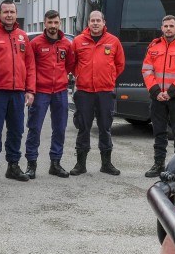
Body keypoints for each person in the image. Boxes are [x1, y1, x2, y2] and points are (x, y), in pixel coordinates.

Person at [0, 0, 36, 183]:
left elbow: (29, 65)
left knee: (16, 130)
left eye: (12, 11)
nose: (9, 15)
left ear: (16, 13)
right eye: (5, 12)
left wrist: (30, 90)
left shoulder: (22, 36)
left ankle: (13, 165)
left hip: (18, 92)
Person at [70, 10, 125, 176]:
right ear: (88, 23)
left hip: (105, 92)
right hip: (84, 92)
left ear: (103, 22)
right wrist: (81, 76)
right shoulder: (78, 41)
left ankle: (106, 164)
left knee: (105, 128)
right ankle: (80, 165)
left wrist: (109, 77)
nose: (95, 23)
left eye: (98, 21)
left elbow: (120, 64)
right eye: (92, 20)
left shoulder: (113, 41)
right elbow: (72, 64)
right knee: (83, 128)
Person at [142, 15, 175, 181]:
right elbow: (146, 70)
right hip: (158, 98)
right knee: (159, 133)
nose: (168, 29)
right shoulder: (154, 46)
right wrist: (156, 91)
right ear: (161, 28)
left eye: (171, 26)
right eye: (165, 26)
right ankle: (159, 164)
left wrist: (170, 92)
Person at [25, 10, 75, 178]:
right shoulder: (36, 43)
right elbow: (30, 68)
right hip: (40, 92)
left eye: (56, 23)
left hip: (60, 92)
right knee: (34, 128)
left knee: (60, 128)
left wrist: (60, 79)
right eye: (50, 22)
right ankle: (31, 164)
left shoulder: (67, 44)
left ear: (59, 23)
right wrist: (31, 90)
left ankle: (55, 163)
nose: (53, 26)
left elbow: (69, 65)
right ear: (44, 23)